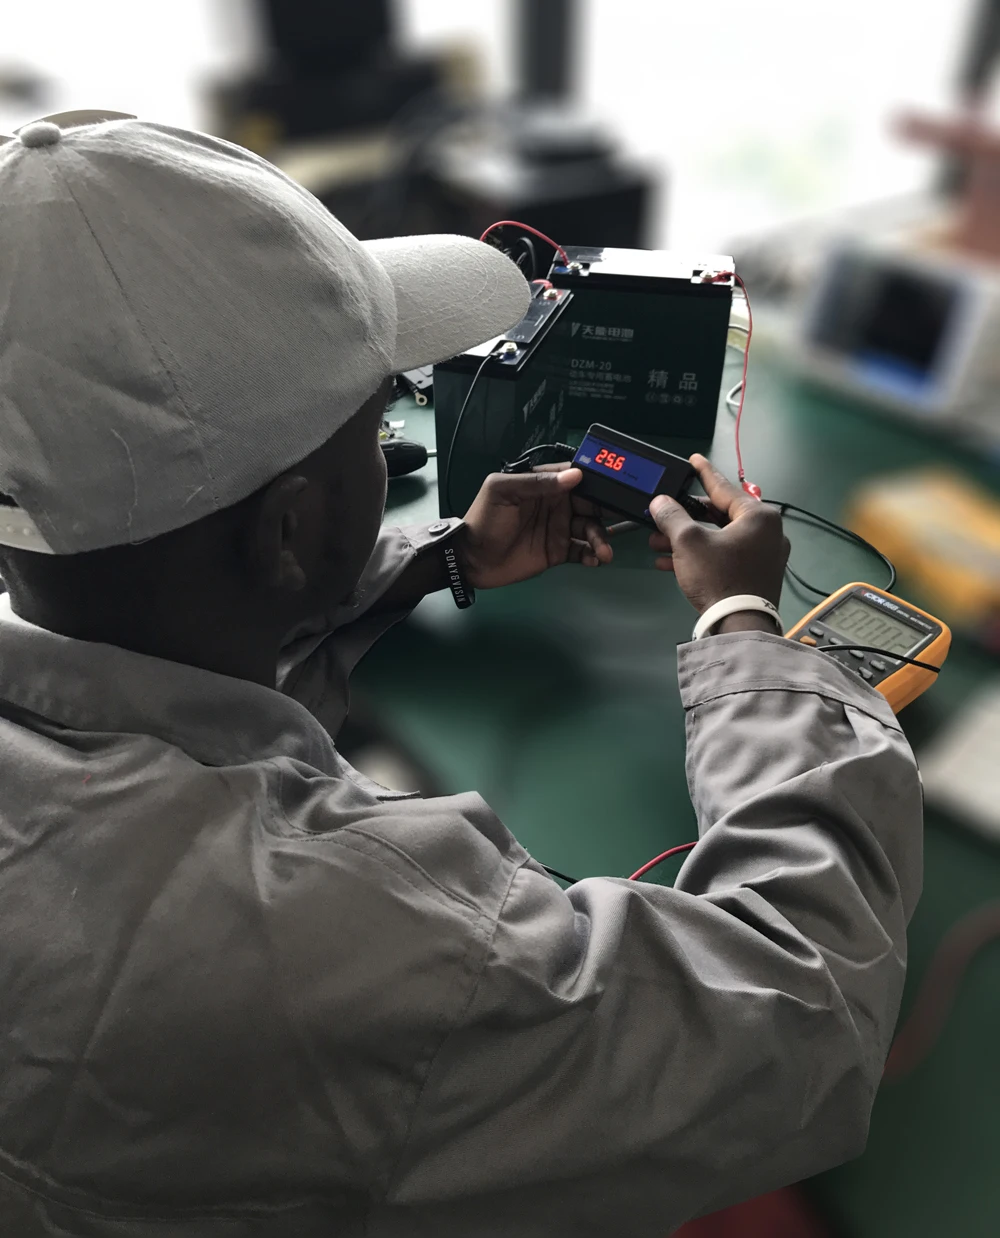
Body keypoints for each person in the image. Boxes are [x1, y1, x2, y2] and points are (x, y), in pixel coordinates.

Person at [0, 113, 921, 1238]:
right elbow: (802, 1023)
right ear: (289, 529)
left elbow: (155, 669)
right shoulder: (353, 938)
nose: (396, 440)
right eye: (378, 417)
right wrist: (744, 624)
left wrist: (433, 560)